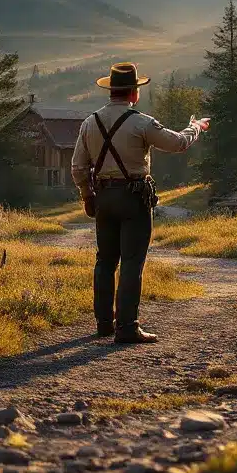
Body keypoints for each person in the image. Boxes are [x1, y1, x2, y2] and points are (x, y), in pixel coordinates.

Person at [71, 62, 209, 344]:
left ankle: (104, 324)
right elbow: (178, 143)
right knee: (132, 262)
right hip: (134, 198)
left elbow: (77, 167)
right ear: (134, 93)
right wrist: (195, 127)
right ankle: (127, 327)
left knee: (105, 261)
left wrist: (87, 195)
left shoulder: (89, 123)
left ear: (111, 91)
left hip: (104, 197)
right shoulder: (142, 122)